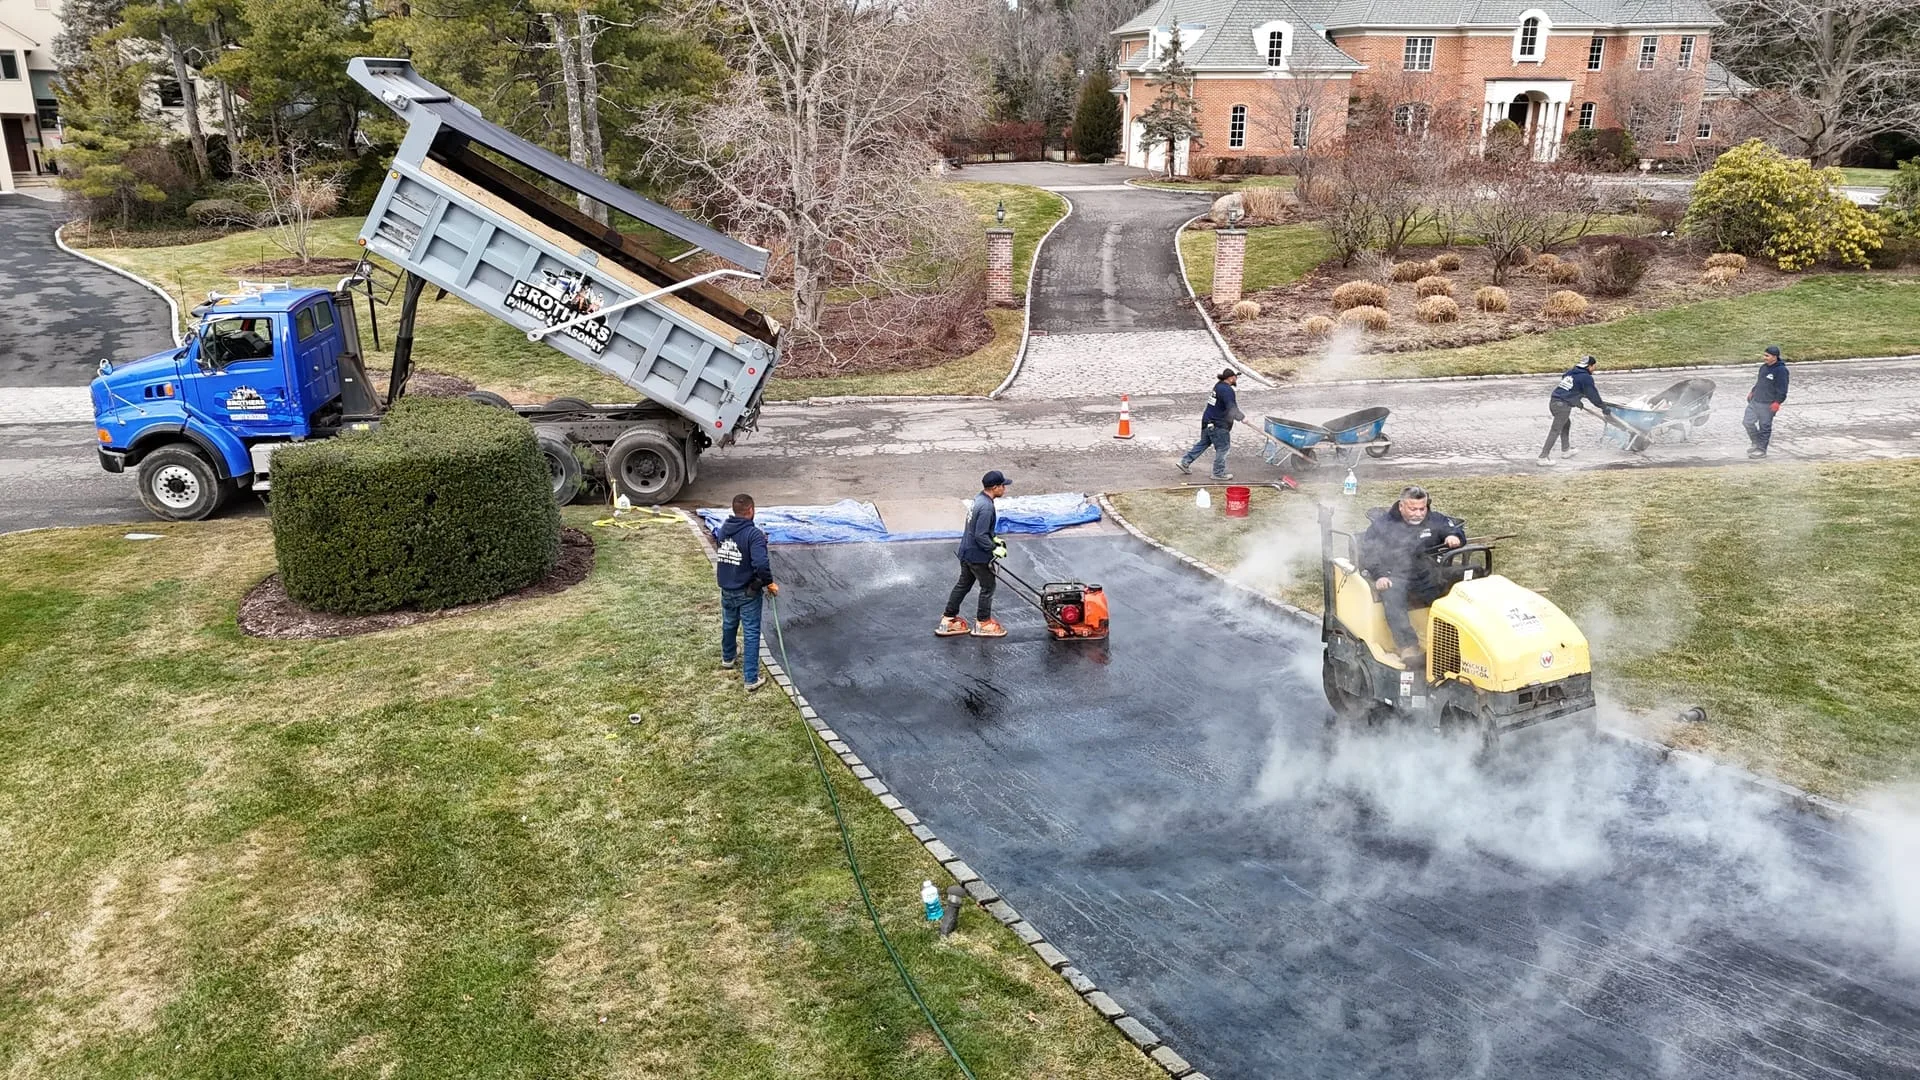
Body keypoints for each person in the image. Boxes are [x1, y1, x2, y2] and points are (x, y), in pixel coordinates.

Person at [1359, 485, 1467, 662]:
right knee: (1392, 595)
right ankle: (1407, 646)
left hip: (1427, 573)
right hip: (1394, 575)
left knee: (1455, 590)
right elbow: (1368, 553)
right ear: (1401, 506)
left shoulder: (1434, 520)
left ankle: (1449, 642)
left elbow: (1454, 528)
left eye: (1422, 509)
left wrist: (1454, 536)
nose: (1418, 513)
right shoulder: (1383, 525)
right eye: (1413, 509)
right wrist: (1379, 576)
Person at [714, 493, 778, 691]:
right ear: (750, 510)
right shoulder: (754, 535)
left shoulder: (724, 529)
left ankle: (728, 657)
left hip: (727, 587)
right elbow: (760, 563)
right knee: (751, 632)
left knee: (729, 623)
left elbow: (723, 549)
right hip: (747, 591)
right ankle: (751, 678)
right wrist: (769, 583)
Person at [937, 470, 1011, 638]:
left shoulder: (979, 499)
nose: (1004, 489)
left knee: (963, 584)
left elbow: (978, 529)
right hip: (977, 556)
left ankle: (948, 619)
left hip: (966, 551)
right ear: (995, 487)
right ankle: (983, 623)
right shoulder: (986, 507)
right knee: (988, 586)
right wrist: (993, 548)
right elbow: (980, 534)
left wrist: (994, 539)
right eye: (1002, 486)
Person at [1176, 369, 1246, 481]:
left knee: (1204, 442)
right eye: (1235, 377)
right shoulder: (1227, 390)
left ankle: (1185, 461)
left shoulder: (1218, 386)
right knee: (1223, 448)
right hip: (1218, 424)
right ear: (1231, 378)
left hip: (1207, 421)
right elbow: (1231, 407)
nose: (1236, 379)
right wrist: (1242, 418)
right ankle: (1218, 473)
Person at [1539, 354, 1604, 466]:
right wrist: (1604, 408)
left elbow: (1569, 388)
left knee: (1566, 423)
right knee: (1555, 430)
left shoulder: (1571, 372)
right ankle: (1543, 457)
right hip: (1562, 406)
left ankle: (1566, 450)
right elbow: (1593, 396)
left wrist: (1575, 399)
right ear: (1589, 366)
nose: (1594, 369)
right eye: (1594, 366)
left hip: (1554, 401)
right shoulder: (1586, 377)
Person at [1744, 345, 1789, 458]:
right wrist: (1752, 392)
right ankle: (1756, 443)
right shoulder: (1763, 367)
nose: (1764, 358)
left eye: (1767, 356)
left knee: (1764, 427)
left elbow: (1783, 389)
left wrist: (1777, 402)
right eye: (1764, 355)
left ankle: (1761, 450)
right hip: (1755, 401)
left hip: (1768, 404)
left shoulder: (1781, 371)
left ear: (1774, 357)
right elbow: (1759, 382)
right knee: (1747, 422)